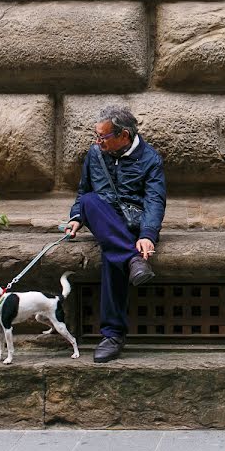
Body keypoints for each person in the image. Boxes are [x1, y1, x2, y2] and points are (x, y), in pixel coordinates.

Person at [64, 105, 167, 363]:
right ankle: (133, 260)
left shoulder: (150, 159)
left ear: (124, 135)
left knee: (112, 255)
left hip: (132, 226)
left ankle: (112, 335)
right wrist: (76, 218)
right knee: (89, 200)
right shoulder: (95, 154)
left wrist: (147, 235)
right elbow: (83, 191)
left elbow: (155, 201)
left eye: (103, 137)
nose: (98, 142)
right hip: (104, 219)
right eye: (96, 136)